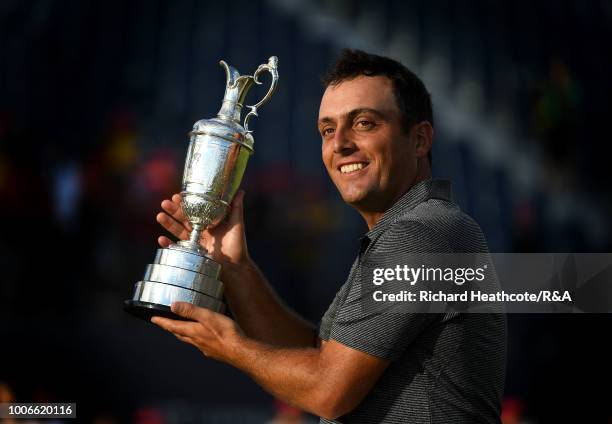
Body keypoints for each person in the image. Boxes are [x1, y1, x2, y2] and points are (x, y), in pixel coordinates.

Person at [152, 49, 506, 423]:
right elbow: (317, 356)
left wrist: (231, 346)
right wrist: (235, 268)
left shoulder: (419, 234)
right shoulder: (407, 230)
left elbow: (327, 390)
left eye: (364, 123)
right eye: (327, 130)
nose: (339, 144)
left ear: (419, 140)